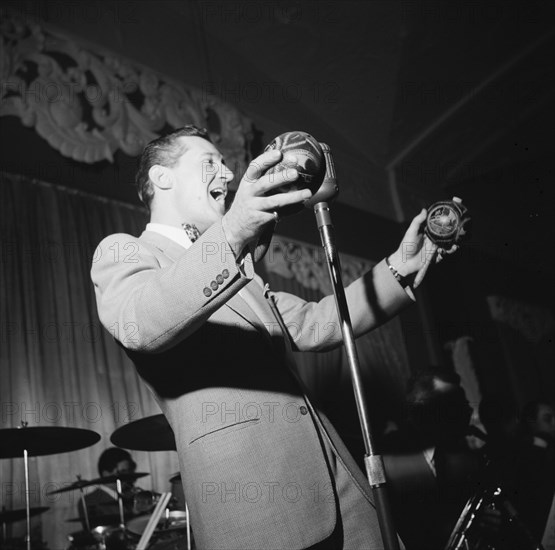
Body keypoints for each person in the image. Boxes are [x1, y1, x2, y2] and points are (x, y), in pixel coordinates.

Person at [90, 125, 451, 550]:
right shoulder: (125, 250)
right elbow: (141, 323)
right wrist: (232, 233)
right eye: (210, 162)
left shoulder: (237, 270)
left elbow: (320, 322)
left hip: (340, 490)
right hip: (257, 511)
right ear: (160, 177)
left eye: (226, 164)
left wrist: (400, 268)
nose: (226, 175)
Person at [381, 367, 481, 550]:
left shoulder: (463, 450)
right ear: (421, 410)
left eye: (463, 403)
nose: (467, 411)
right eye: (453, 404)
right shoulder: (391, 449)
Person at [77, 447, 140, 529]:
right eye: (123, 472)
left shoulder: (131, 495)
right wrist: (133, 515)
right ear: (106, 474)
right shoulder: (89, 501)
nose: (127, 477)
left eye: (129, 471)